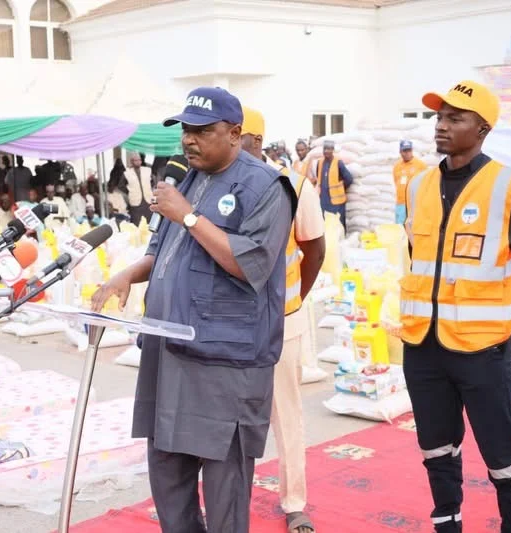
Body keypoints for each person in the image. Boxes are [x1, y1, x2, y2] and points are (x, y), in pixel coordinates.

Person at [91, 87, 296, 533]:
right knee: (168, 477)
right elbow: (164, 249)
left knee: (224, 491)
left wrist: (187, 215)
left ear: (236, 133)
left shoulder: (266, 187)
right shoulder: (187, 179)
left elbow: (249, 264)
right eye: (186, 129)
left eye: (202, 130)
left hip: (225, 364)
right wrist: (128, 274)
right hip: (169, 354)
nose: (189, 140)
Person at [401, 80, 511, 533]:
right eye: (440, 117)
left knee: (504, 460)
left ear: (483, 129)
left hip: (483, 351)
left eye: (456, 118)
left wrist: (499, 317)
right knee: (436, 451)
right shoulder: (419, 186)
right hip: (423, 346)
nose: (442, 127)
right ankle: (447, 523)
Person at [240, 107, 324, 533]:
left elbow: (316, 249)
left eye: (236, 139)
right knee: (226, 415)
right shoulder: (214, 184)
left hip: (282, 322)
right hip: (229, 324)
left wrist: (292, 301)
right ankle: (229, 495)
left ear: (253, 140)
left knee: (286, 414)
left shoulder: (294, 186)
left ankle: (294, 503)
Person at [308, 140, 352, 230]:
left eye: (329, 149)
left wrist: (341, 188)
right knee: (325, 226)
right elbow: (318, 177)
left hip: (336, 202)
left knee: (338, 225)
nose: (326, 151)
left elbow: (349, 179)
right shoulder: (320, 162)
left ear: (333, 150)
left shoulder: (338, 163)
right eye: (325, 149)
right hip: (324, 200)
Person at [392, 140, 428, 224]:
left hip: (414, 203)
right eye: (405, 151)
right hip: (401, 202)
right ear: (400, 152)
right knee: (400, 227)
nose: (407, 153)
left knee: (413, 227)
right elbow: (396, 181)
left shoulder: (420, 165)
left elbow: (426, 183)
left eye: (409, 150)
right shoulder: (397, 166)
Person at [122, 152, 154, 225]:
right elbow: (121, 186)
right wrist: (130, 192)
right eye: (135, 160)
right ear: (131, 162)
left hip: (147, 201)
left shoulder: (147, 170)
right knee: (137, 223)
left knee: (149, 223)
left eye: (139, 160)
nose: (138, 162)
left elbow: (152, 182)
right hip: (135, 202)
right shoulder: (127, 173)